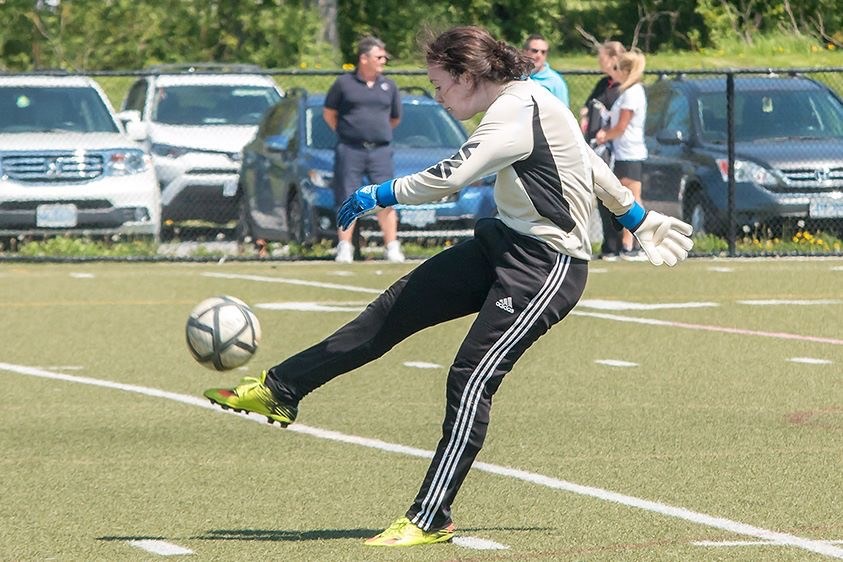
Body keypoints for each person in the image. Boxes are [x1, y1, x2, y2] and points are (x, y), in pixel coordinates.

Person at [203, 26, 692, 548]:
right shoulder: (524, 101)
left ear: (468, 75)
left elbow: (451, 177)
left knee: (470, 376)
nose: (435, 95)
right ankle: (282, 390)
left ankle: (431, 515)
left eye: (439, 83)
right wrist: (635, 214)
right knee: (390, 312)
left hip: (546, 267)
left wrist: (380, 192)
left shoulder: (515, 111)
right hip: (501, 242)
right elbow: (586, 159)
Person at [323, 36, 404, 263]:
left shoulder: (389, 86)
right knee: (347, 197)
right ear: (364, 58)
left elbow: (395, 118)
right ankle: (345, 247)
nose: (383, 61)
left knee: (386, 197)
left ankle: (391, 247)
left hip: (380, 151)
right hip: (350, 150)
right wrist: (349, 133)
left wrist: (375, 134)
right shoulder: (343, 84)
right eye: (379, 57)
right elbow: (329, 114)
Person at [595, 49, 648, 259]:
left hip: (629, 153)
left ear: (626, 70)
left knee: (632, 200)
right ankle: (630, 244)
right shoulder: (628, 91)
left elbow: (621, 127)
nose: (614, 72)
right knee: (628, 199)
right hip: (624, 152)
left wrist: (604, 135)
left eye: (617, 68)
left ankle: (635, 244)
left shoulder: (632, 93)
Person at [580, 41, 626, 259]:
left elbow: (620, 119)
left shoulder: (622, 87)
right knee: (601, 196)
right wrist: (584, 116)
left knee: (613, 197)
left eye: (602, 56)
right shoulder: (603, 83)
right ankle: (608, 246)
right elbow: (588, 105)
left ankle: (619, 245)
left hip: (613, 149)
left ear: (612, 58)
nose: (600, 61)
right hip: (595, 148)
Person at [524, 34, 569, 106]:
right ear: (525, 52)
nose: (539, 55)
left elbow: (565, 113)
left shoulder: (555, 81)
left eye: (543, 52)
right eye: (535, 51)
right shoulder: (517, 77)